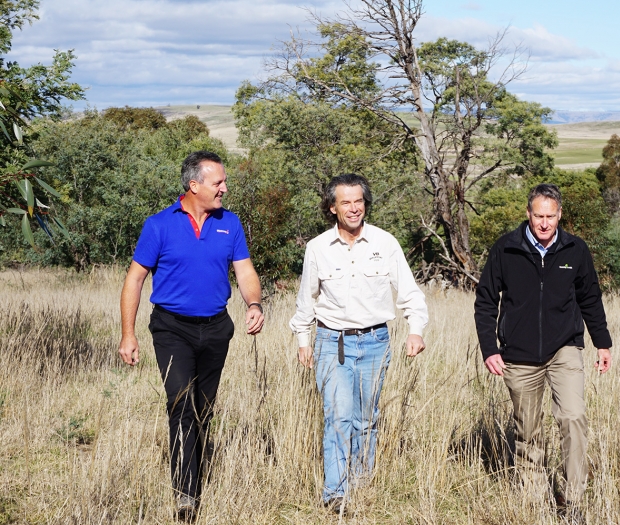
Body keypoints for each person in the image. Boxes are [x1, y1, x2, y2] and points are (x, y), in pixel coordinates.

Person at [118, 151, 264, 522]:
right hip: (172, 328)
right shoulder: (159, 225)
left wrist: (254, 303)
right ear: (193, 185)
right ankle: (186, 495)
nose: (225, 189)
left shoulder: (229, 223)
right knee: (181, 405)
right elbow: (135, 279)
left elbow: (244, 271)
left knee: (202, 409)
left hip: (216, 328)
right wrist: (127, 334)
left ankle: (194, 472)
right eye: (218, 182)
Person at [289, 173, 428, 513]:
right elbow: (307, 299)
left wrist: (416, 329)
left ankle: (361, 485)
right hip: (331, 342)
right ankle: (336, 493)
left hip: (375, 341)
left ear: (366, 203)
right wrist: (303, 339)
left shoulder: (385, 243)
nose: (353, 209)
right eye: (345, 202)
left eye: (359, 201)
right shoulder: (317, 248)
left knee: (366, 418)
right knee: (338, 417)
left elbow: (410, 293)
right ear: (332, 208)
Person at [473, 183, 612, 524]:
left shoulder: (575, 250)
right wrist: (490, 349)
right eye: (539, 216)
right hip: (518, 355)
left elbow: (590, 298)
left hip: (564, 348)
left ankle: (573, 501)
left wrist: (602, 342)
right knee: (528, 430)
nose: (545, 223)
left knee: (573, 417)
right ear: (528, 214)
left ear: (560, 215)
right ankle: (535, 500)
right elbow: (486, 302)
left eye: (551, 216)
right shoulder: (506, 248)